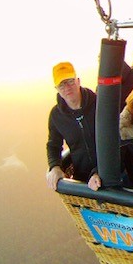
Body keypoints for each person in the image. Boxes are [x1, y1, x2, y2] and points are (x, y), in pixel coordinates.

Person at [46, 62, 101, 191]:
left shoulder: (99, 104)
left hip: (110, 174)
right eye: (62, 84)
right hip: (82, 180)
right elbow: (53, 145)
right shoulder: (56, 116)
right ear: (57, 88)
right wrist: (55, 166)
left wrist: (99, 171)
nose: (67, 87)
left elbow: (115, 141)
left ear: (78, 81)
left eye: (70, 81)